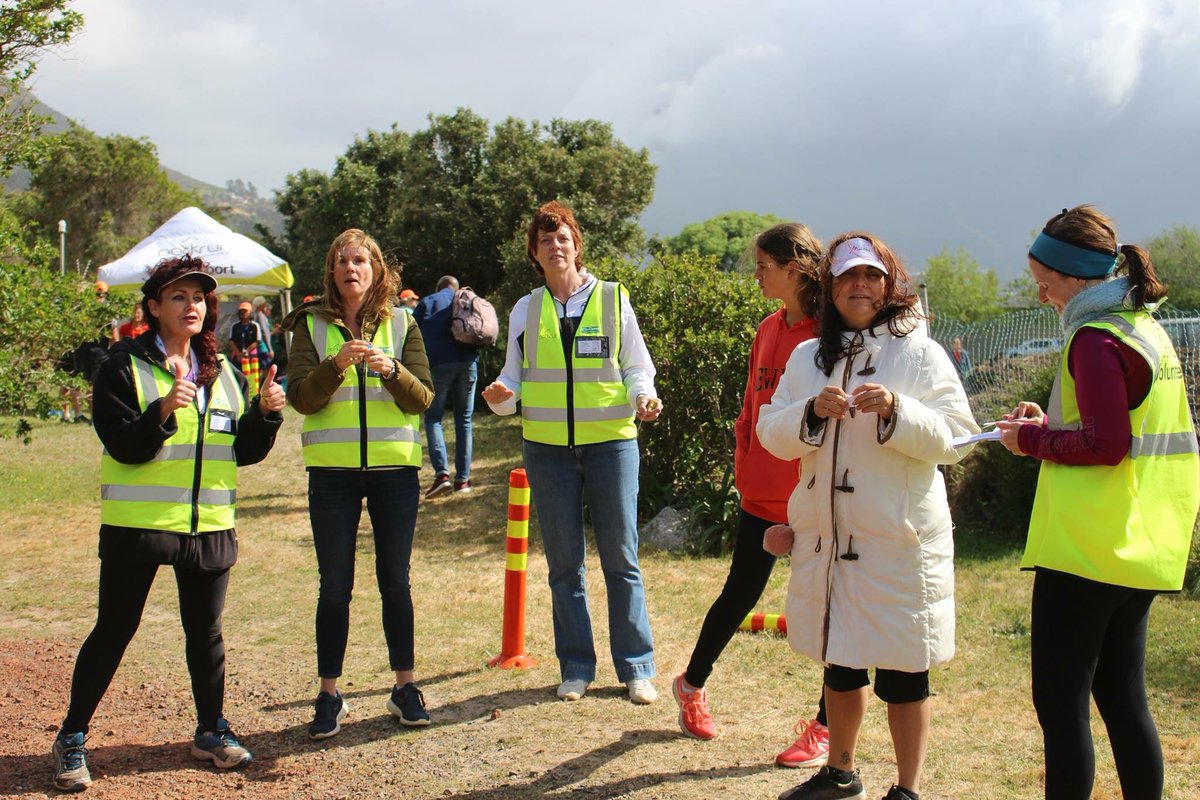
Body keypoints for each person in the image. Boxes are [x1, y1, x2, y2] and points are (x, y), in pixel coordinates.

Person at [50, 256, 286, 793]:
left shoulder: (220, 370)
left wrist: (266, 414)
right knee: (116, 628)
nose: (192, 306)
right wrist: (160, 412)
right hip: (141, 524)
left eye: (199, 298)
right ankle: (71, 736)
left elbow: (240, 451)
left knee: (206, 634)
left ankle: (210, 730)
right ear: (154, 307)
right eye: (178, 297)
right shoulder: (121, 365)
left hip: (209, 526)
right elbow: (121, 444)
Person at [758, 233, 978, 800]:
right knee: (841, 661)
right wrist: (810, 410)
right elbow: (770, 432)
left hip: (899, 540)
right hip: (830, 539)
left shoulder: (921, 352)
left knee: (905, 673)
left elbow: (959, 438)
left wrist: (899, 412)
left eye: (871, 276)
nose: (860, 285)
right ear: (829, 288)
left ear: (889, 284)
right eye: (848, 276)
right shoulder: (809, 356)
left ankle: (907, 789)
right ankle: (841, 772)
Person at [997, 205, 1198, 800]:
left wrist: (1028, 440)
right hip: (1140, 544)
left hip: (1088, 547)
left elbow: (1106, 445)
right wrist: (1047, 422)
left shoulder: (1093, 337)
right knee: (1123, 699)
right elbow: (1113, 426)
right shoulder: (1145, 329)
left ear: (1079, 278)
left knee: (1062, 708)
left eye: (1045, 281)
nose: (1039, 294)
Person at [481, 200, 663, 704]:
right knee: (564, 563)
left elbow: (636, 367)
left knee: (621, 558)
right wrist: (500, 396)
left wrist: (643, 396)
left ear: (577, 245)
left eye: (562, 238)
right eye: (545, 241)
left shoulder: (611, 298)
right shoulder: (525, 308)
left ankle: (636, 668)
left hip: (611, 445)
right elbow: (512, 379)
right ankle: (577, 666)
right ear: (534, 255)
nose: (555, 247)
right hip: (547, 451)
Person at [671, 222, 830, 766]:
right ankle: (691, 686)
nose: (755, 275)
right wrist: (745, 465)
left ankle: (825, 727)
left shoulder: (828, 331)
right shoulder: (767, 327)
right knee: (740, 594)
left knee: (830, 605)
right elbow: (750, 408)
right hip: (763, 490)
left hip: (816, 493)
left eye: (763, 266)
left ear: (795, 269)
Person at [282, 228, 435, 739]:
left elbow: (423, 399)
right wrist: (336, 365)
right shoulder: (310, 325)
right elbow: (302, 398)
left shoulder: (404, 323)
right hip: (333, 475)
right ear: (331, 272)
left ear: (376, 272)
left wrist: (391, 370)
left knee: (396, 581)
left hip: (395, 472)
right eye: (342, 262)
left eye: (361, 261)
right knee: (335, 587)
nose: (351, 269)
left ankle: (405, 688)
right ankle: (328, 695)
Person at [414, 275, 479, 497]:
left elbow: (412, 335)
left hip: (438, 364)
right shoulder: (467, 299)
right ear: (456, 288)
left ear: (438, 287)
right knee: (465, 420)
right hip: (468, 363)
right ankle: (463, 481)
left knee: (433, 418)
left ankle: (442, 475)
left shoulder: (428, 302)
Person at [228, 301, 264, 388]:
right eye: (241, 311)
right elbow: (231, 341)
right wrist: (238, 353)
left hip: (251, 357)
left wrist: (246, 351)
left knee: (252, 379)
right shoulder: (235, 326)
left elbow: (257, 341)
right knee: (238, 377)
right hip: (237, 357)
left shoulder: (255, 326)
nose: (243, 313)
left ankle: (252, 397)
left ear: (250, 313)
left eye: (245, 311)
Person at [251, 296, 274, 369]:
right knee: (267, 369)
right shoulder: (260, 316)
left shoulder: (254, 315)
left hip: (258, 347)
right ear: (260, 304)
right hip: (263, 347)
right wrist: (270, 349)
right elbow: (264, 332)